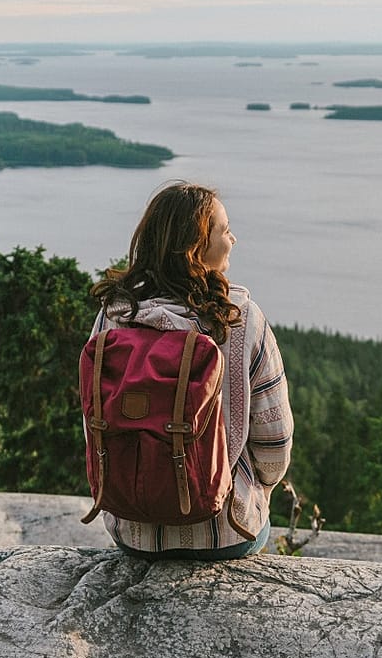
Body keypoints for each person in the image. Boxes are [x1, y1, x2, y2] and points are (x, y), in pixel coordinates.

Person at [88, 181, 293, 559]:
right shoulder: (242, 319)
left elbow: (94, 423)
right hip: (227, 535)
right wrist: (256, 490)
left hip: (133, 534)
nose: (234, 238)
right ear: (196, 249)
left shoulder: (114, 314)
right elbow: (274, 447)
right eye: (225, 230)